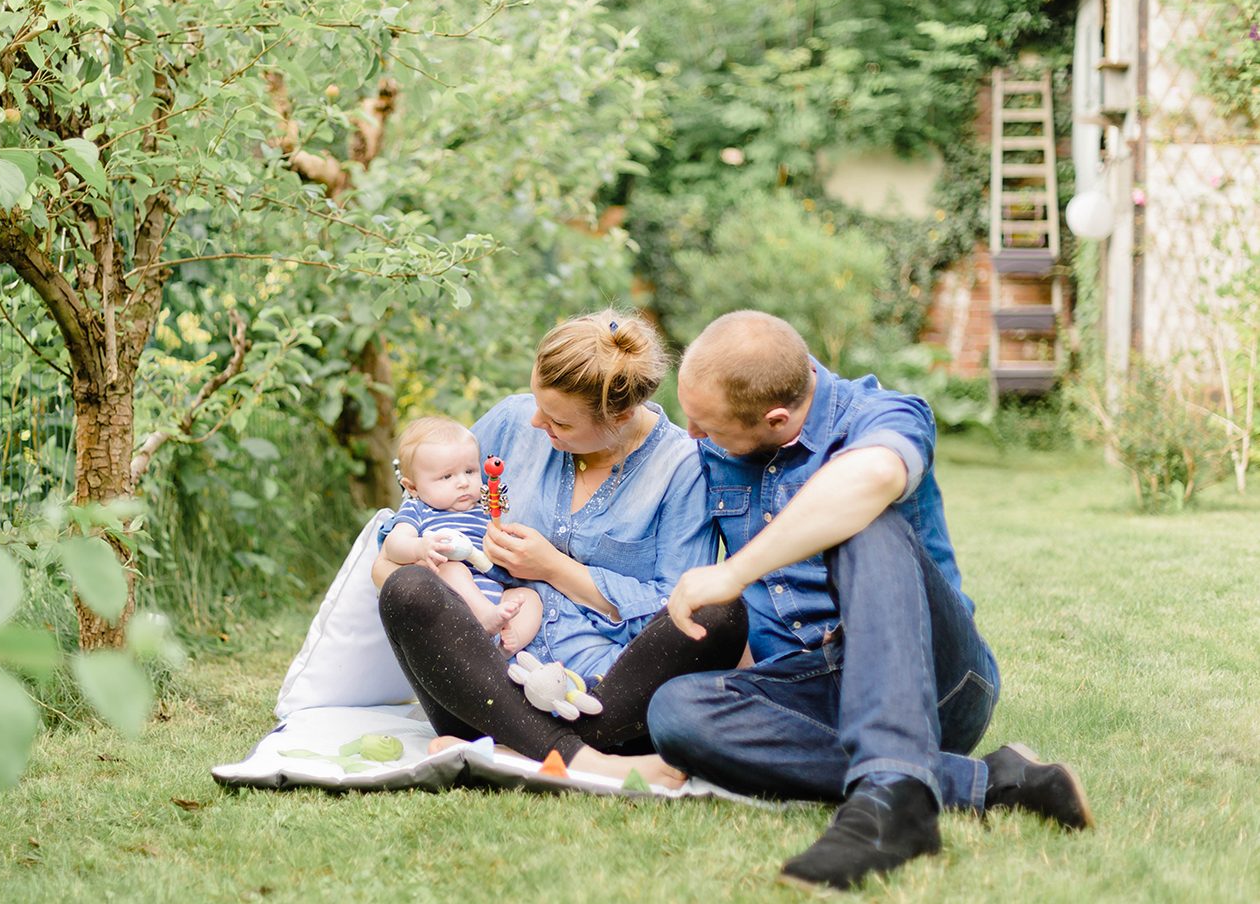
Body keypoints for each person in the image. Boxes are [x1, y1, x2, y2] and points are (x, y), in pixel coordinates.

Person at [648, 310, 1093, 890]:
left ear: (776, 419)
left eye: (707, 426)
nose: (693, 436)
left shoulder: (883, 414)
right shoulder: (717, 444)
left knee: (861, 515)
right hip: (815, 683)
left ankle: (891, 798)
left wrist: (735, 572)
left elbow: (873, 478)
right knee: (676, 712)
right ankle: (987, 783)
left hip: (938, 680)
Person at [373, 309, 749, 787]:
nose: (535, 422)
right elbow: (392, 560)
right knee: (406, 589)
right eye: (535, 402)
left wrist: (553, 569)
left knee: (716, 613)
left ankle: (516, 750)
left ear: (620, 415)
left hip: (604, 696)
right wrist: (423, 564)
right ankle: (585, 761)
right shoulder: (511, 424)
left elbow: (676, 606)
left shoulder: (681, 468)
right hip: (484, 686)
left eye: (559, 422)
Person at [381, 416, 543, 654]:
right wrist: (420, 548)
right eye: (447, 476)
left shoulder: (486, 511)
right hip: (454, 603)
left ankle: (508, 644)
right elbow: (394, 544)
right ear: (412, 487)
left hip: (495, 593)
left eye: (469, 471)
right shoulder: (418, 510)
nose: (463, 483)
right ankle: (487, 618)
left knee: (529, 596)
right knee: (451, 567)